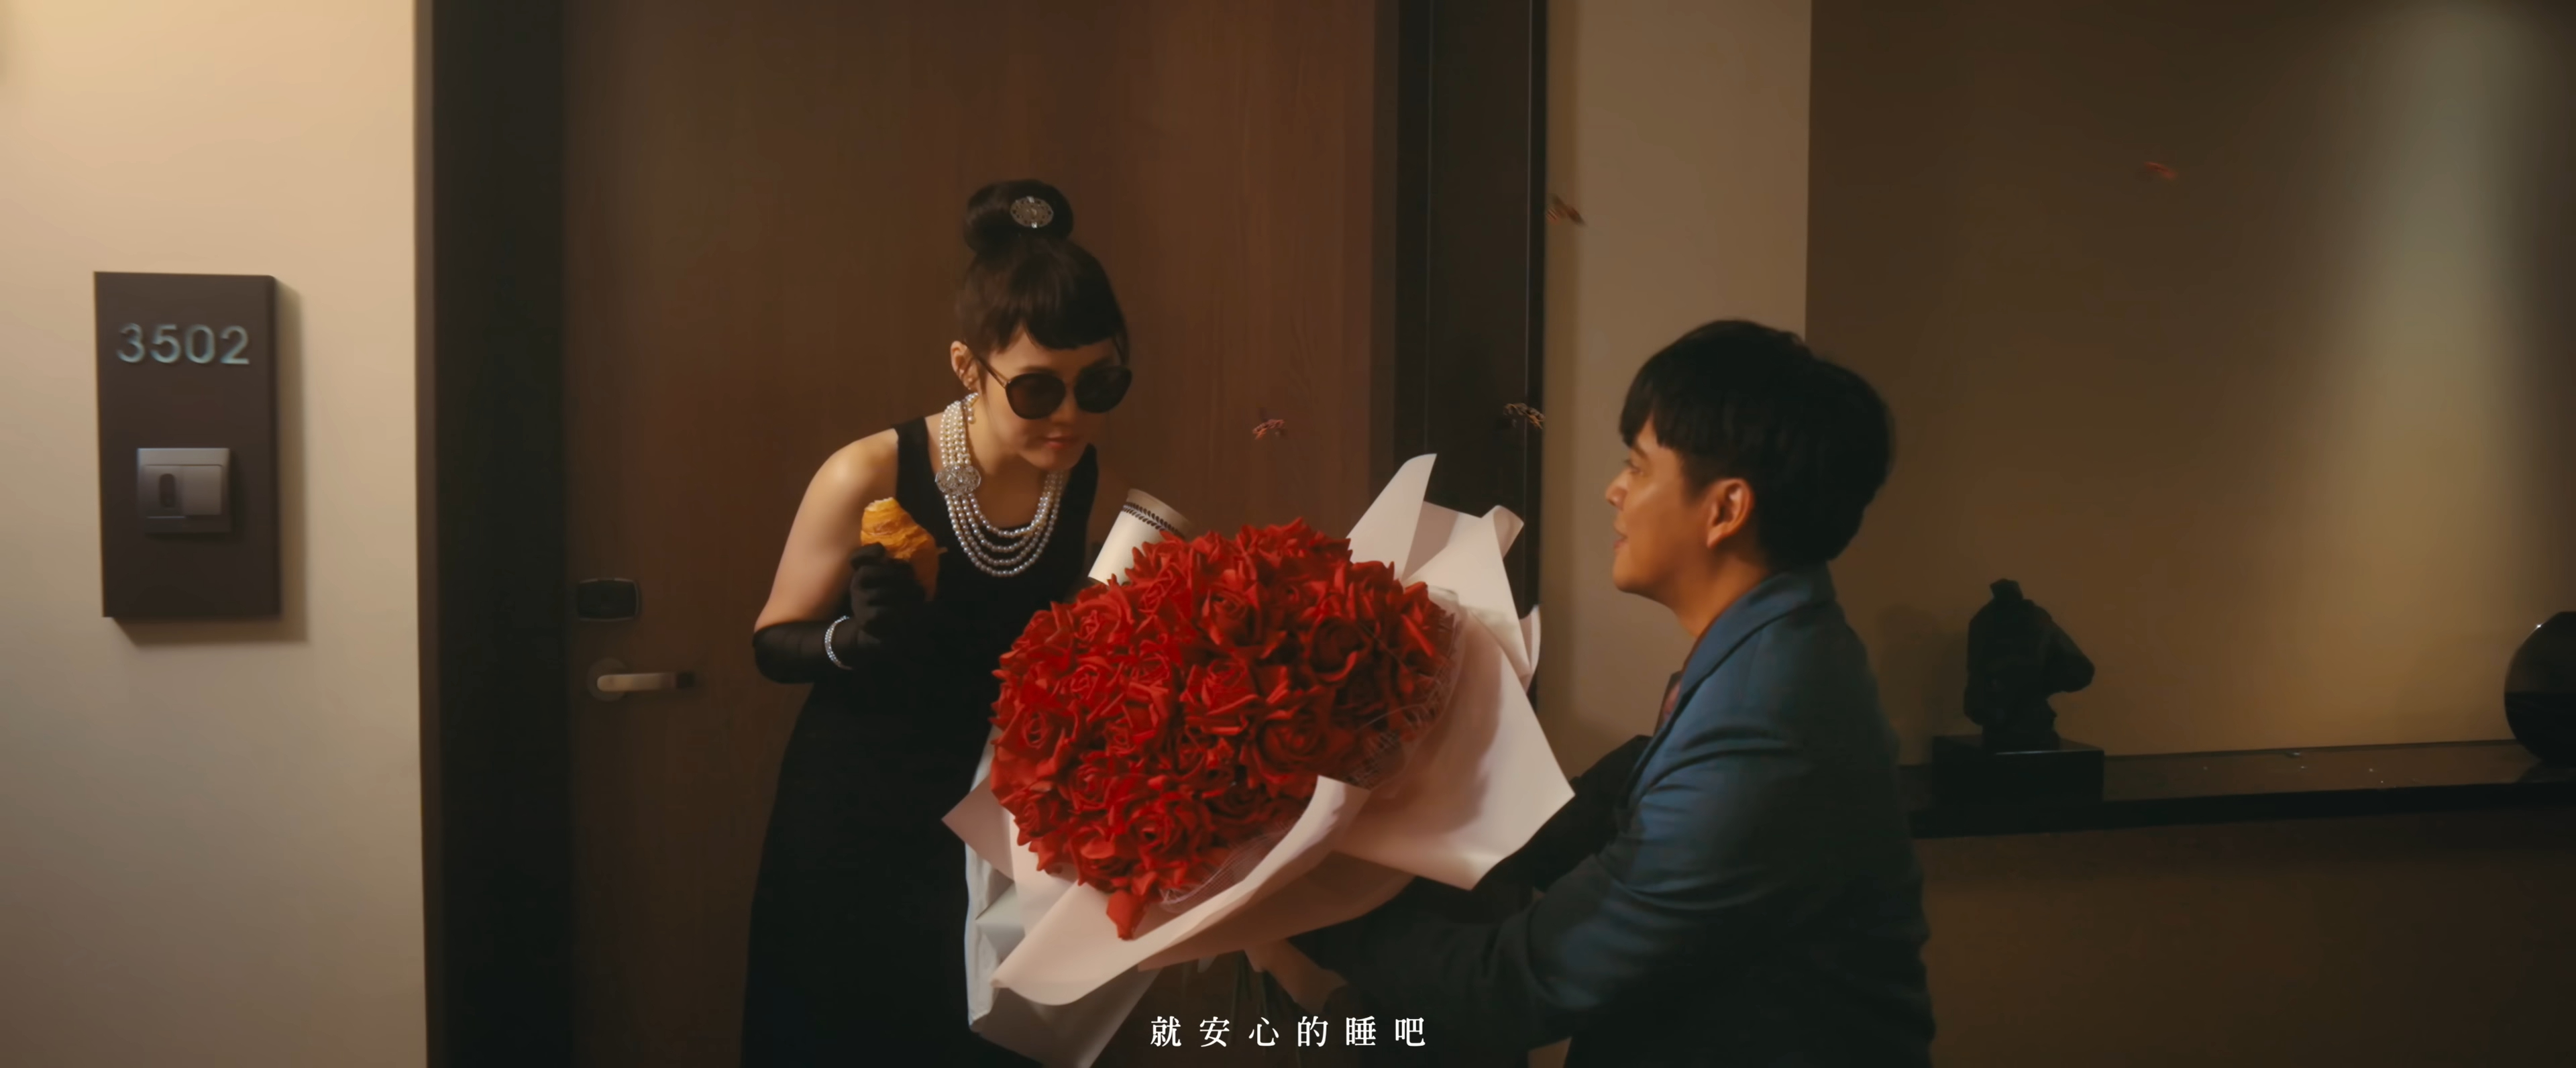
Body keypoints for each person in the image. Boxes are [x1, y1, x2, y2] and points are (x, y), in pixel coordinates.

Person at [1289, 320, 1935, 1067]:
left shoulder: (1767, 724)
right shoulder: (1777, 647)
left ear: (1725, 509)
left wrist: (1300, 898)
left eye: (1638, 465)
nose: (1614, 489)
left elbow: (1515, 985)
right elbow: (1606, 833)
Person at [741, 179, 1134, 1065]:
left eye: (1099, 384)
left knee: (984, 1035)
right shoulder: (868, 472)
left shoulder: (1089, 483)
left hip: (1001, 813)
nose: (1070, 415)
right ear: (967, 366)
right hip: (858, 803)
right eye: (1037, 390)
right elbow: (771, 641)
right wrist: (853, 641)